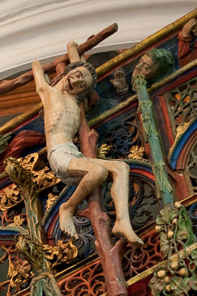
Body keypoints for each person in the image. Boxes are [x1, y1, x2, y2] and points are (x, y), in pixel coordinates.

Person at [32, 43, 140, 245]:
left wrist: (75, 55)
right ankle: (68, 207)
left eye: (83, 84)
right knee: (97, 172)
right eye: (78, 76)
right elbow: (37, 66)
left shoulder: (76, 102)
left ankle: (122, 222)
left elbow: (80, 69)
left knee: (121, 168)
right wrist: (69, 49)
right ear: (68, 74)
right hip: (58, 154)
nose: (79, 82)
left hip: (74, 155)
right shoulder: (49, 93)